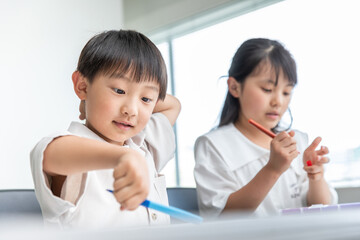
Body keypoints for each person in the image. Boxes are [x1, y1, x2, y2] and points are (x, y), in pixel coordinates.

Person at [30, 30, 181, 228]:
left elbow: (173, 105)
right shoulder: (72, 149)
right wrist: (124, 157)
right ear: (82, 86)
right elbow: (49, 153)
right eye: (119, 90)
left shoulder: (143, 145)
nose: (131, 110)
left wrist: (89, 101)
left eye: (145, 99)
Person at [194, 38, 337, 218]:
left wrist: (316, 177)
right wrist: (273, 169)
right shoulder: (213, 145)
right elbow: (219, 216)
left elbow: (323, 210)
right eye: (267, 89)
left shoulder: (298, 140)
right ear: (234, 87)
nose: (278, 101)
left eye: (286, 92)